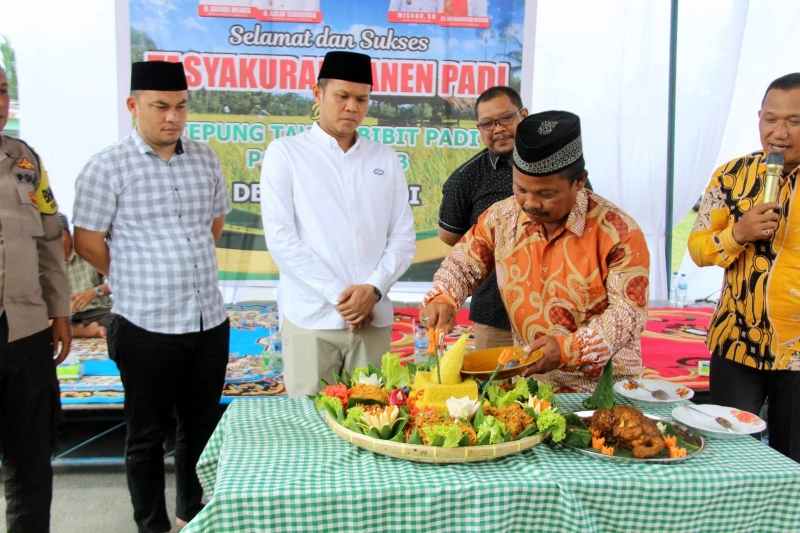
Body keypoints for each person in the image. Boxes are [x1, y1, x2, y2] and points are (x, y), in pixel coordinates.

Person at [73, 61, 231, 532]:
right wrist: (135, 273)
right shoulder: (106, 167)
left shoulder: (204, 158)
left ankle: (192, 515)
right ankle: (152, 525)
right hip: (145, 323)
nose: (173, 117)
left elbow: (214, 225)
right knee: (145, 437)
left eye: (181, 106)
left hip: (207, 321)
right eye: (160, 106)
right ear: (133, 105)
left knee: (200, 429)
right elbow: (87, 240)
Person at [421, 111, 650, 392]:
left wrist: (568, 349)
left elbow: (627, 313)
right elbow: (462, 264)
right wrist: (443, 296)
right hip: (533, 389)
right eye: (521, 189)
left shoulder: (618, 232)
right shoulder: (501, 218)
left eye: (546, 194)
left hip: (604, 392)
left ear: (579, 181)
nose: (530, 203)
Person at [260, 51, 416, 397]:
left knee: (376, 418)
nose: (351, 107)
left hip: (372, 319)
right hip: (311, 319)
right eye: (342, 96)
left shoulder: (384, 157)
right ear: (317, 94)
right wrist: (342, 298)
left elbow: (403, 239)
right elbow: (282, 240)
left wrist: (372, 290)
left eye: (361, 99)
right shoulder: (285, 153)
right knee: (310, 422)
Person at [688, 72, 800, 462]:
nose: (779, 133)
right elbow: (698, 248)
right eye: (771, 119)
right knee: (730, 456)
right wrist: (738, 233)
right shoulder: (731, 175)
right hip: (736, 342)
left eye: (794, 121)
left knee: (793, 461)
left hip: (796, 350)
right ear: (758, 118)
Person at [0, 65, 71, 533]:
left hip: (24, 331)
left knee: (30, 461)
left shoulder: (25, 161)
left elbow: (49, 239)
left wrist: (60, 310)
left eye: (2, 90)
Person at [438, 86, 527, 349]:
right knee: (493, 377)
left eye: (506, 118)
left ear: (523, 115)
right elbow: (450, 236)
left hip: (555, 316)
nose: (498, 129)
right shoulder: (464, 179)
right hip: (494, 316)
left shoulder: (556, 166)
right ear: (478, 128)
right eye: (487, 123)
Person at [59, 213, 112, 338]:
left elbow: (120, 282)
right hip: (71, 318)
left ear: (69, 233)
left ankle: (87, 330)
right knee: (40, 329)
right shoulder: (48, 264)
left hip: (100, 312)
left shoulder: (88, 250)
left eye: (58, 237)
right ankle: (87, 331)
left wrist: (94, 292)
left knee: (119, 323)